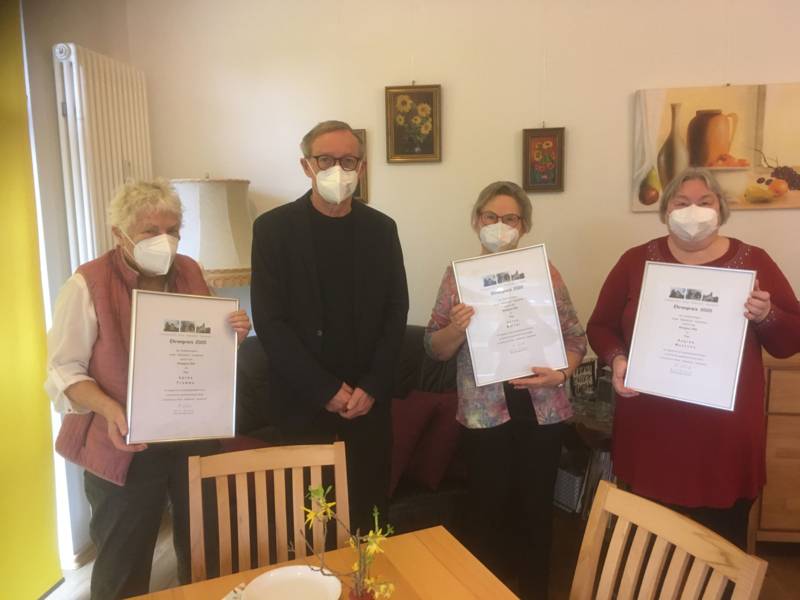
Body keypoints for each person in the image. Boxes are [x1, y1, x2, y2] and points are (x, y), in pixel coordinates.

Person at [46, 180, 251, 600]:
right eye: (150, 231)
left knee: (207, 555)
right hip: (122, 442)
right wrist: (110, 409)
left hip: (191, 435)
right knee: (122, 567)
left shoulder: (190, 270)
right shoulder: (89, 283)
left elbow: (203, 349)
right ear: (120, 234)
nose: (164, 240)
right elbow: (63, 370)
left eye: (172, 230)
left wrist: (233, 334)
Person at [587, 167, 800, 549]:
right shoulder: (636, 261)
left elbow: (789, 341)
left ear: (721, 209)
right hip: (651, 431)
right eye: (682, 202)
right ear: (666, 210)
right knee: (644, 548)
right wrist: (617, 358)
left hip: (722, 439)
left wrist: (767, 315)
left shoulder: (754, 261)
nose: (693, 211)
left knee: (718, 551)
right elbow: (600, 326)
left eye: (705, 202)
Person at [424, 181, 587, 599]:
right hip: (485, 415)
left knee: (537, 513)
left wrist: (561, 374)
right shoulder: (458, 278)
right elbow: (434, 349)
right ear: (476, 221)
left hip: (543, 411)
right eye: (491, 217)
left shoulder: (545, 273)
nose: (500, 225)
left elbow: (576, 337)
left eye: (510, 218)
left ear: (524, 225)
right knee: (486, 513)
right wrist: (456, 327)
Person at [250, 120, 409, 534]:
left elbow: (396, 311)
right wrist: (324, 389)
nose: (338, 169)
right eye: (326, 160)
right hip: (302, 403)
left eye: (348, 160)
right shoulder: (272, 230)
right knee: (308, 526)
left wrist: (372, 386)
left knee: (370, 521)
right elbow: (270, 322)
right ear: (307, 165)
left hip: (368, 405)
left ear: (361, 167)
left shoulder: (382, 229)